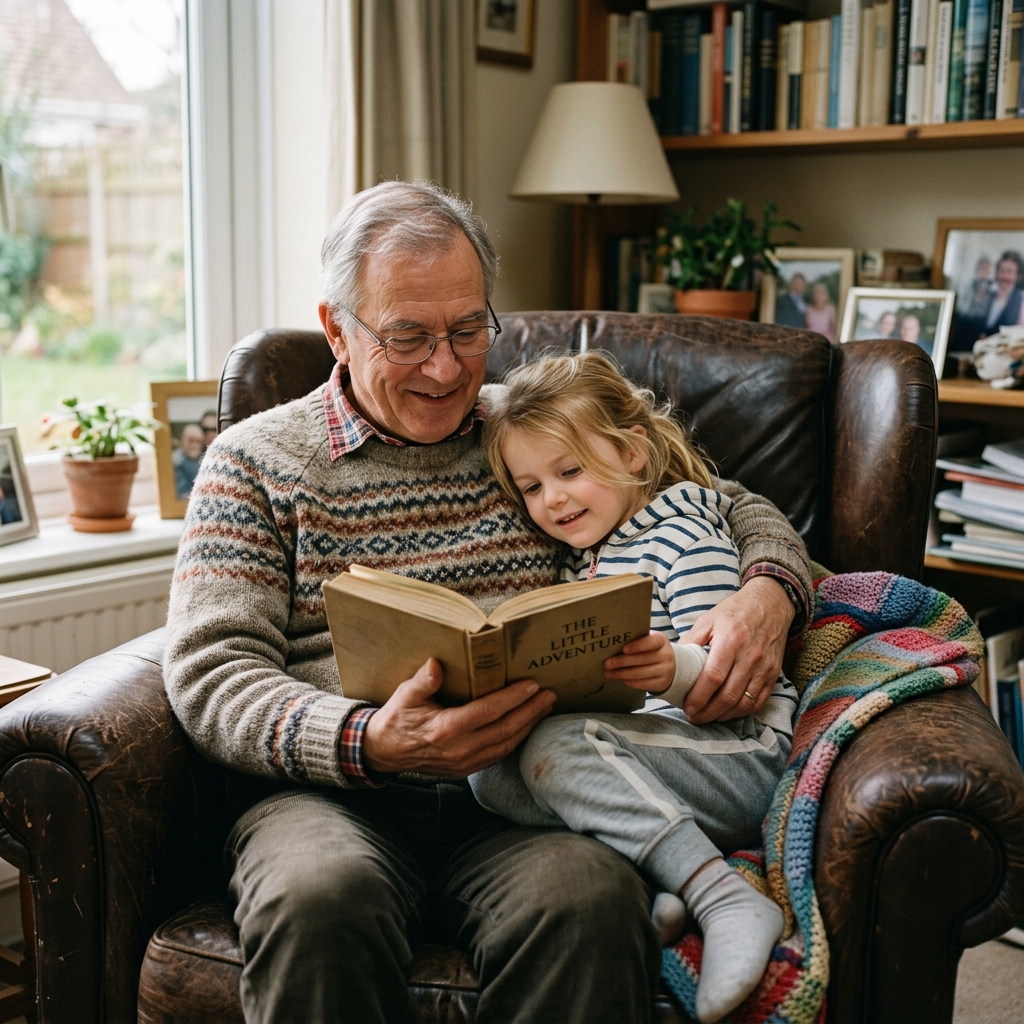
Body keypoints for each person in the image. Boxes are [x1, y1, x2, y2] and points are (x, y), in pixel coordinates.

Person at [163, 179, 813, 1024]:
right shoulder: (252, 462)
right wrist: (367, 740)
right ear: (336, 329)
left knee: (585, 901)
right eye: (408, 337)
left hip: (530, 791)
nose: (447, 367)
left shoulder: (530, 433)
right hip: (335, 798)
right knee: (318, 898)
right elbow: (210, 674)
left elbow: (719, 499)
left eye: (470, 330)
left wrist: (770, 590)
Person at [469, 352, 792, 1023]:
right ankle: (670, 870)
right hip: (654, 756)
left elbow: (734, 686)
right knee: (490, 773)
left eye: (569, 471)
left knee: (558, 741)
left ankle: (724, 897)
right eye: (530, 487)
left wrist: (672, 668)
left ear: (633, 454)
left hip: (738, 753)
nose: (551, 499)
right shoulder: (587, 560)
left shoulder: (684, 539)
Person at [981, 251, 1024, 335]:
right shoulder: (985, 294)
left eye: (1009, 272)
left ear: (1017, 275)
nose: (1004, 276)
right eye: (1002, 270)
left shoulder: (1021, 301)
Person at [172, 422, 206, 499]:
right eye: (191, 441)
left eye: (197, 441)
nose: (194, 445)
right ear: (183, 440)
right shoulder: (176, 461)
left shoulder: (205, 461)